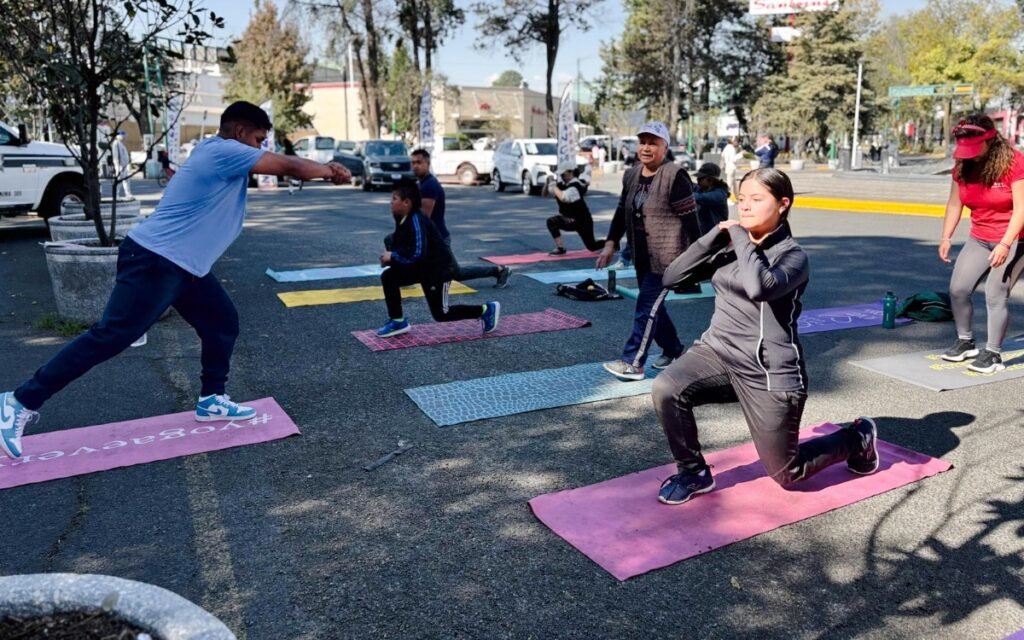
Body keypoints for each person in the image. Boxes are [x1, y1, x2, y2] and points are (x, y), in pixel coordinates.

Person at [0, 101, 351, 460]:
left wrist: (317, 170)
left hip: (184, 267)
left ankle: (212, 399)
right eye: (259, 139)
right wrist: (328, 170)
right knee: (111, 336)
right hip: (156, 260)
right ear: (241, 132)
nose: (261, 148)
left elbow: (284, 167)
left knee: (221, 322)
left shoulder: (224, 156)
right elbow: (288, 165)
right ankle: (19, 400)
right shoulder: (223, 150)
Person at [652, 168, 879, 505]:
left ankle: (857, 437)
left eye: (756, 200)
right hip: (716, 353)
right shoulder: (729, 249)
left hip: (768, 370)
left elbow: (761, 287)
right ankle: (693, 471)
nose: (744, 207)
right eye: (741, 199)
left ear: (783, 204)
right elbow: (672, 277)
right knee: (666, 388)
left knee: (788, 473)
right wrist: (713, 237)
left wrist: (741, 238)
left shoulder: (793, 256)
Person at [596, 122, 702, 380]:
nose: (646, 147)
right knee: (653, 306)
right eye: (642, 142)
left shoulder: (675, 176)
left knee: (646, 307)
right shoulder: (631, 175)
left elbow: (691, 220)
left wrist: (699, 256)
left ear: (664, 147)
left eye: (653, 143)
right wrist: (611, 242)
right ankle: (674, 349)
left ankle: (633, 362)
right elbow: (622, 211)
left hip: (669, 256)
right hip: (642, 254)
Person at [939, 115, 1024, 373]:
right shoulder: (963, 167)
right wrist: (946, 237)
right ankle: (966, 341)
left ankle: (994, 354)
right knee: (958, 289)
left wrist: (1006, 244)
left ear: (990, 140)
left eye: (975, 149)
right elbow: (955, 203)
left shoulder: (1014, 163)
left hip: (1015, 237)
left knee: (995, 294)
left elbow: (1022, 208)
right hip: (980, 236)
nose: (971, 155)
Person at [376, 179, 501, 338]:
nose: (390, 202)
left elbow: (417, 252)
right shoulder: (402, 218)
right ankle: (398, 321)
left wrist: (393, 256)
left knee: (442, 314)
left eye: (394, 199)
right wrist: (391, 258)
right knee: (389, 276)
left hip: (438, 271)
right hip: (424, 269)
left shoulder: (416, 220)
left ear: (406, 202)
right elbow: (406, 247)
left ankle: (486, 310)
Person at [411, 149, 511, 288]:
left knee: (456, 273)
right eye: (413, 163)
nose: (415, 166)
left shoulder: (429, 185)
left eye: (419, 162)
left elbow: (424, 217)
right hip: (432, 237)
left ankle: (499, 270)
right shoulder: (422, 184)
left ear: (427, 163)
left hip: (438, 239)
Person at [544, 161, 603, 255]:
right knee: (551, 221)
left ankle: (612, 244)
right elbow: (544, 194)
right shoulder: (563, 184)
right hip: (569, 219)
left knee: (592, 246)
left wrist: (553, 186)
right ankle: (560, 248)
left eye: (563, 174)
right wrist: (548, 182)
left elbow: (563, 197)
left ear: (570, 172)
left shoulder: (575, 186)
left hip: (582, 220)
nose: (562, 176)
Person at [692, 162, 730, 234]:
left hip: (716, 236)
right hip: (704, 235)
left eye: (700, 178)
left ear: (710, 180)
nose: (697, 180)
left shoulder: (719, 194)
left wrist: (687, 195)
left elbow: (701, 197)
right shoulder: (701, 189)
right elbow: (691, 185)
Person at [112, 130, 132, 199]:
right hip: (120, 166)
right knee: (119, 181)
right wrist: (117, 166)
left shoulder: (121, 144)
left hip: (124, 166)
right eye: (124, 136)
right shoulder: (116, 144)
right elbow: (116, 156)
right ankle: (116, 195)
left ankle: (128, 194)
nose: (125, 137)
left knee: (126, 180)